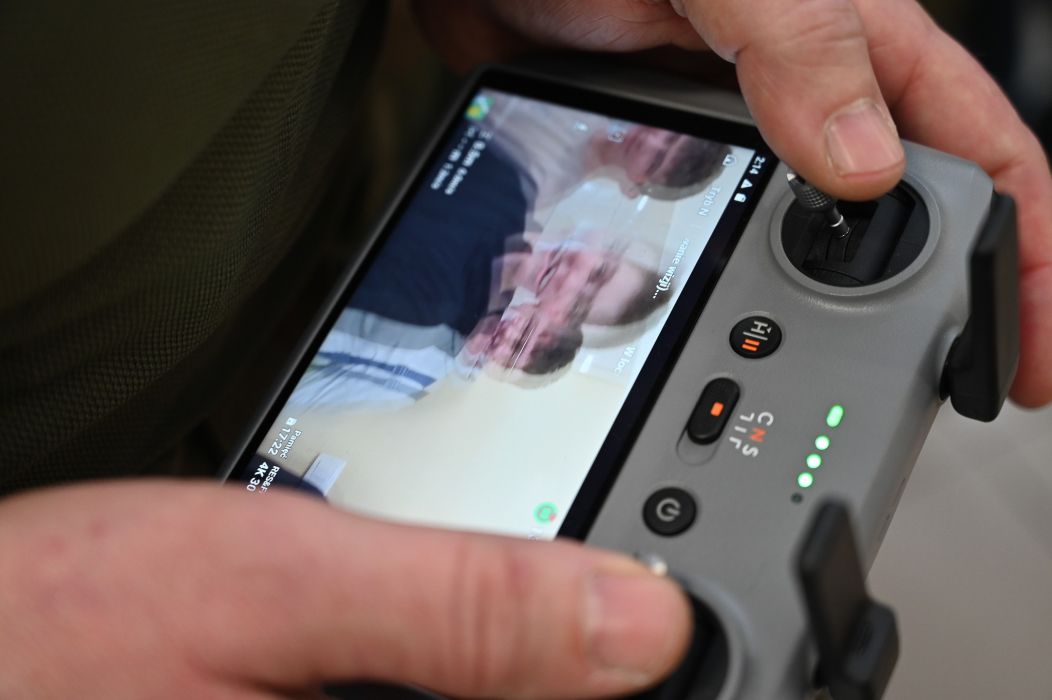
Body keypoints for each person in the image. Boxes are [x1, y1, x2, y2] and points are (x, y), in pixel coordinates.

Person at [2, 2, 1051, 699]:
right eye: (572, 295)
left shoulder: (468, 247)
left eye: (564, 301)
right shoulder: (465, 262)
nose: (544, 293)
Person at [288, 302, 582, 411]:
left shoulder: (415, 381)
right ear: (533, 306)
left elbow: (304, 393)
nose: (508, 334)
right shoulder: (477, 271)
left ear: (504, 367)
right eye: (526, 326)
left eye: (514, 351)